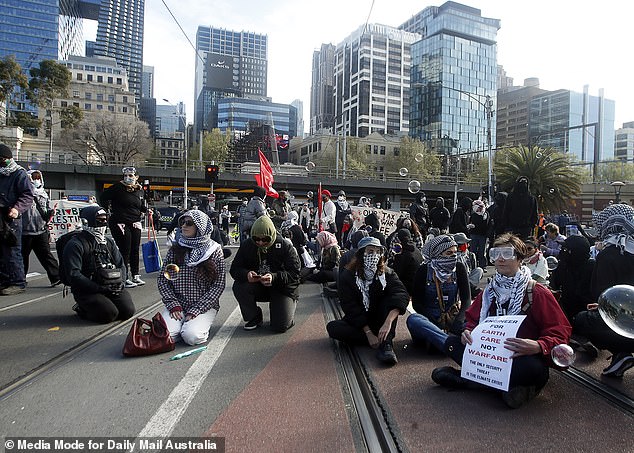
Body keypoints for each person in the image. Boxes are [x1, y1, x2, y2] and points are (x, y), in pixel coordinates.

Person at [426, 233, 571, 408]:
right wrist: (468, 332)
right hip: (491, 354)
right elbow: (472, 320)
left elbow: (559, 331)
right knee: (453, 343)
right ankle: (502, 387)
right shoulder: (489, 291)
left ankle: (471, 380)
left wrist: (538, 346)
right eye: (495, 254)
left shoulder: (537, 292)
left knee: (533, 369)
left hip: (519, 356)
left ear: (519, 259)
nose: (500, 259)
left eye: (507, 254)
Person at [326, 237, 409, 366]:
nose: (374, 256)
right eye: (370, 252)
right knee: (333, 328)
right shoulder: (348, 276)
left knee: (390, 298)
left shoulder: (386, 273)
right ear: (361, 254)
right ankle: (375, 339)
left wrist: (387, 323)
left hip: (382, 319)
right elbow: (350, 306)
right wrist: (368, 333)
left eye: (377, 252)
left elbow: (401, 294)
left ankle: (386, 344)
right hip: (361, 322)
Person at [574, 204, 634, 377]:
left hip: (623, 322)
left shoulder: (609, 254)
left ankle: (620, 352)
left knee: (582, 319)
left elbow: (602, 293)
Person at [157, 210, 225, 345]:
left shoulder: (214, 250)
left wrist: (197, 309)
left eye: (189, 223)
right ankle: (181, 326)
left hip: (204, 306)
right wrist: (173, 304)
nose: (183, 226)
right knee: (165, 336)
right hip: (178, 304)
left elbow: (218, 285)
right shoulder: (175, 249)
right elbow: (163, 280)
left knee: (192, 337)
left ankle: (192, 327)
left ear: (200, 227)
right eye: (182, 222)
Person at [63, 205, 135, 323]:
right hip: (88, 289)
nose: (104, 223)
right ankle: (82, 309)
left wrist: (120, 283)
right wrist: (98, 288)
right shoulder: (75, 244)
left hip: (111, 285)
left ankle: (106, 301)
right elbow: (73, 274)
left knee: (127, 311)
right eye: (100, 220)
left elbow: (121, 264)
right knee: (109, 314)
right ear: (88, 221)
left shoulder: (108, 242)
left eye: (105, 219)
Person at [230, 216, 300, 332]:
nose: (260, 242)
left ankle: (286, 311)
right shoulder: (247, 245)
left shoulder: (285, 246)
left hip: (281, 288)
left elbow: (295, 274)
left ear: (272, 236)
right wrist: (246, 274)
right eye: (256, 239)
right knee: (239, 286)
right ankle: (254, 316)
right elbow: (235, 269)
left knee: (280, 326)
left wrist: (274, 277)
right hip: (258, 285)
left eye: (265, 239)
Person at [407, 235, 471, 349]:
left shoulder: (459, 267)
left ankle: (442, 343)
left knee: (477, 321)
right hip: (430, 319)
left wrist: (458, 323)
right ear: (437, 254)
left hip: (453, 317)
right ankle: (450, 344)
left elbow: (466, 300)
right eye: (449, 253)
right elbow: (417, 303)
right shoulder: (424, 270)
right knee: (413, 320)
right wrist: (435, 324)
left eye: (455, 252)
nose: (454, 256)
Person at [100, 166, 147, 288]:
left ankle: (135, 275)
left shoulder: (139, 190)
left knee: (135, 249)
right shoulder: (117, 188)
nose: (128, 178)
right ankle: (124, 277)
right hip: (120, 222)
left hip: (135, 222)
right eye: (126, 176)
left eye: (131, 176)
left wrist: (147, 210)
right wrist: (107, 210)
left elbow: (139, 205)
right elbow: (103, 197)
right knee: (125, 249)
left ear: (136, 177)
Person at [0, 144, 34, 295]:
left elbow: (27, 195)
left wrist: (17, 209)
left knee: (12, 250)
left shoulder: (19, 173)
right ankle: (4, 280)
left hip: (11, 217)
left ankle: (17, 282)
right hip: (0, 216)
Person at [21, 170, 61, 287]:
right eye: (34, 178)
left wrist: (50, 213)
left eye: (38, 178)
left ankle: (56, 277)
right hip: (25, 231)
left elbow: (47, 208)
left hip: (41, 229)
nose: (36, 180)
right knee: (22, 257)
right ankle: (20, 279)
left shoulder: (44, 194)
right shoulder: (24, 193)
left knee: (46, 255)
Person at [391, 228, 423, 296]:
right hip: (417, 285)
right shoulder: (416, 250)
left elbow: (396, 273)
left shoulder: (403, 253)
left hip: (406, 288)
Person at [469, 199, 490, 268]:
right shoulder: (473, 214)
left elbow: (485, 225)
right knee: (472, 251)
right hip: (473, 234)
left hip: (482, 235)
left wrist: (475, 226)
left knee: (482, 251)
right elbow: (470, 221)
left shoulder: (485, 214)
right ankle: (472, 265)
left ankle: (482, 266)